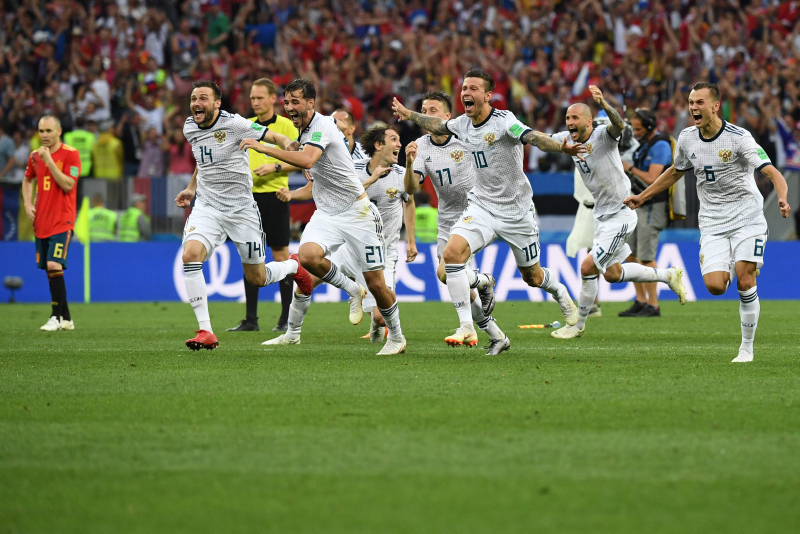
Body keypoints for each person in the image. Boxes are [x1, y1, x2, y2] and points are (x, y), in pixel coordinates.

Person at [392, 69, 585, 351]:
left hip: (517, 210)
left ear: (488, 95)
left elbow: (532, 137)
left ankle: (560, 292)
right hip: (482, 206)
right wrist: (409, 114)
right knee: (451, 256)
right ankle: (467, 326)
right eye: (464, 88)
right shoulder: (461, 124)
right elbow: (436, 125)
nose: (466, 93)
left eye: (473, 88)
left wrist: (560, 147)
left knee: (532, 277)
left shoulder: (505, 121)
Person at [625, 82, 792, 362]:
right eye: (691, 102)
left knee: (745, 280)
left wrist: (783, 199)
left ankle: (746, 348)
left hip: (746, 217)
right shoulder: (687, 138)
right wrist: (642, 196)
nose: (693, 107)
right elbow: (674, 172)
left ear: (715, 106)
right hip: (713, 221)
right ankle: (739, 262)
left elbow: (773, 172)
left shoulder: (739, 138)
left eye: (699, 102)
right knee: (715, 287)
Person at [241, 79, 407, 355]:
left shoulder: (322, 126)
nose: (290, 107)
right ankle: (348, 292)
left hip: (358, 213)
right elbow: (308, 160)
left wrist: (263, 148)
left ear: (310, 103)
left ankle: (397, 337)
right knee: (307, 258)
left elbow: (307, 160)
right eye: (287, 102)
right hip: (327, 214)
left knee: (377, 284)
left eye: (296, 102)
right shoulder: (306, 130)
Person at [176, 80, 314, 351]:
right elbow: (203, 161)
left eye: (203, 98)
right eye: (193, 98)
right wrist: (192, 188)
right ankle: (206, 330)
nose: (196, 103)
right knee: (190, 255)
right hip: (207, 207)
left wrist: (287, 142)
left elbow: (273, 136)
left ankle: (292, 266)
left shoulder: (235, 123)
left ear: (217, 103)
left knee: (257, 278)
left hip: (241, 210)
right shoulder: (189, 127)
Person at [547, 86, 687, 340]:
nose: (570, 122)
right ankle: (667, 276)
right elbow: (542, 140)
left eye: (575, 117)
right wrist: (526, 136)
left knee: (588, 266)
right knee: (613, 274)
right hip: (601, 217)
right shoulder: (567, 139)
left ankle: (577, 326)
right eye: (567, 118)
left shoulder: (603, 135)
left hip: (621, 213)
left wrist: (604, 103)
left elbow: (619, 124)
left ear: (589, 121)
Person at [265, 124, 416, 345]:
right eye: (394, 139)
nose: (399, 144)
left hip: (380, 249)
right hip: (347, 245)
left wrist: (411, 240)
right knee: (306, 280)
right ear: (378, 145)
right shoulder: (353, 168)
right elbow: (327, 188)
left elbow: (410, 196)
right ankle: (292, 334)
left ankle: (379, 325)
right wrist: (293, 194)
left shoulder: (401, 174)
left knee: (379, 316)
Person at [402, 90, 509, 355]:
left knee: (449, 270)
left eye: (433, 110)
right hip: (447, 220)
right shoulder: (420, 146)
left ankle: (467, 325)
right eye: (423, 110)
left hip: (476, 212)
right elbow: (411, 190)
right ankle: (496, 332)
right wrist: (409, 163)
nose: (427, 115)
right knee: (449, 277)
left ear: (448, 116)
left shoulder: (465, 135)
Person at [228, 78, 300, 334]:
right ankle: (251, 319)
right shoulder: (246, 125)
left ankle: (286, 318)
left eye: (260, 97)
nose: (255, 102)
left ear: (272, 99)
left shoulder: (286, 126)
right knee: (250, 256)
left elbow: (302, 159)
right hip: (248, 199)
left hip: (276, 196)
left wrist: (275, 166)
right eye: (252, 98)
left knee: (280, 256)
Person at [21, 115, 81, 331]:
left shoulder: (71, 154)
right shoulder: (34, 156)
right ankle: (66, 318)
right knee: (50, 270)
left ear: (59, 131)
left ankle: (54, 317)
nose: (44, 135)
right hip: (42, 221)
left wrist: (49, 162)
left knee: (54, 265)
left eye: (48, 131)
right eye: (41, 131)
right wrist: (28, 203)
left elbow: (68, 184)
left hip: (62, 220)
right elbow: (27, 179)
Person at [618, 108, 674, 317]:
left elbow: (653, 179)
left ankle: (653, 304)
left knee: (646, 257)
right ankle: (641, 301)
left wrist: (629, 168)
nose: (636, 133)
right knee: (631, 255)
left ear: (650, 127)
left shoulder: (660, 146)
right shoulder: (644, 145)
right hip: (638, 206)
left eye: (639, 129)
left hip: (653, 206)